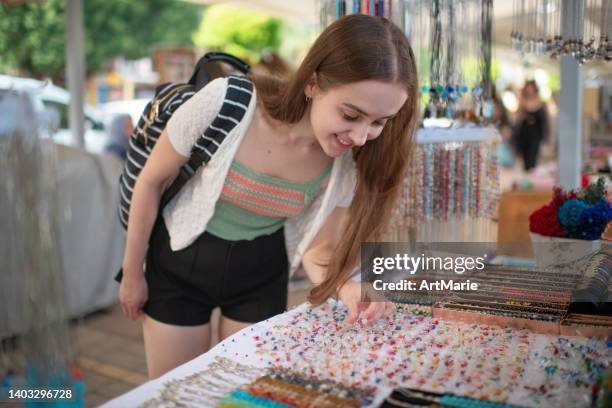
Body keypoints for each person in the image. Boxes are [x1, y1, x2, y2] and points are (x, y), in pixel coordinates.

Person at [119, 14, 419, 379]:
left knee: (243, 391)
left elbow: (319, 250)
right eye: (351, 114)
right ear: (312, 83)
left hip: (261, 274)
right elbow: (151, 181)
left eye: (378, 122)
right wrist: (134, 272)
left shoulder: (349, 165)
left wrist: (348, 288)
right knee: (175, 395)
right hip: (180, 262)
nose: (360, 137)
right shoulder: (228, 102)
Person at [513, 80, 550, 171]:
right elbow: (517, 118)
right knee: (525, 158)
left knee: (533, 156)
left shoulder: (541, 103)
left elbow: (545, 121)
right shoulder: (522, 102)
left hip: (535, 134)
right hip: (524, 133)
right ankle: (527, 175)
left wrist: (547, 137)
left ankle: (532, 174)